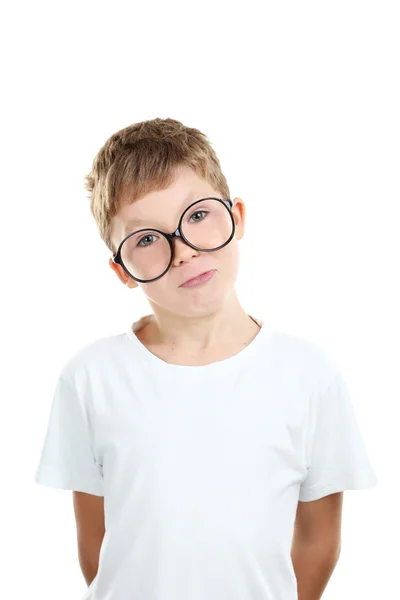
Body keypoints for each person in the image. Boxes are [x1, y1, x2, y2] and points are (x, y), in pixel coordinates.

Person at [34, 117, 378, 600]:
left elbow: (319, 540)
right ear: (121, 270)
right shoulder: (91, 377)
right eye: (147, 239)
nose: (183, 252)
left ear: (236, 216)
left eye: (197, 216)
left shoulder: (309, 376)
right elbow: (96, 542)